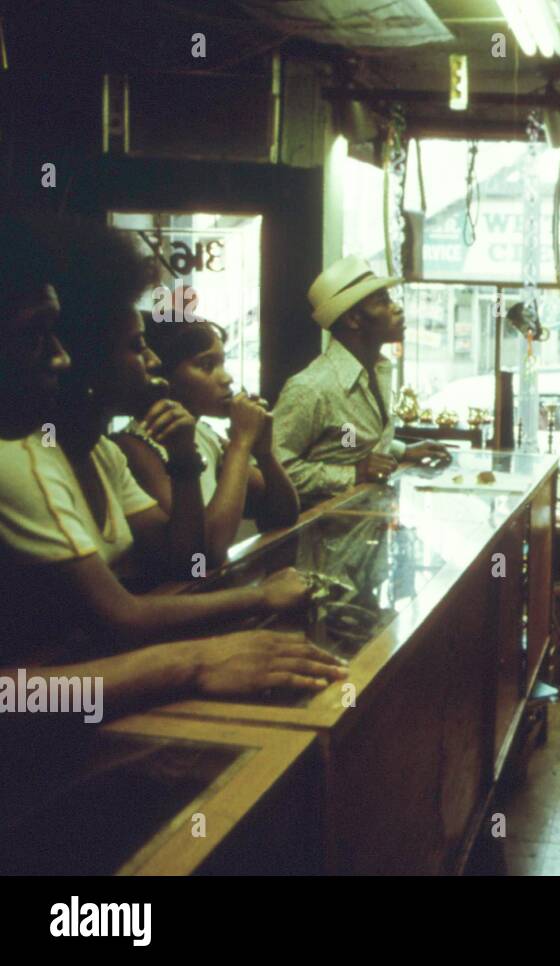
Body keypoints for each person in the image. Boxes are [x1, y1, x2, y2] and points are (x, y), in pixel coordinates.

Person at [0, 212, 344, 712]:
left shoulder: (96, 450)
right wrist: (196, 659)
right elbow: (30, 689)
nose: (60, 359)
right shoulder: (21, 461)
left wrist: (187, 459)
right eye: (32, 337)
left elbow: (184, 557)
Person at [114, 314, 299, 567]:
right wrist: (241, 444)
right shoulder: (135, 446)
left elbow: (281, 514)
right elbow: (204, 554)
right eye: (206, 365)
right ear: (165, 374)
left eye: (222, 363)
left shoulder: (204, 434)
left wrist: (264, 452)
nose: (226, 378)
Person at [272, 255, 447, 506]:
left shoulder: (375, 370)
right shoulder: (312, 388)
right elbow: (269, 468)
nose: (396, 308)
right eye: (382, 302)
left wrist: (402, 451)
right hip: (321, 533)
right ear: (354, 320)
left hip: (362, 526)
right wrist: (352, 474)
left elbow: (346, 442)